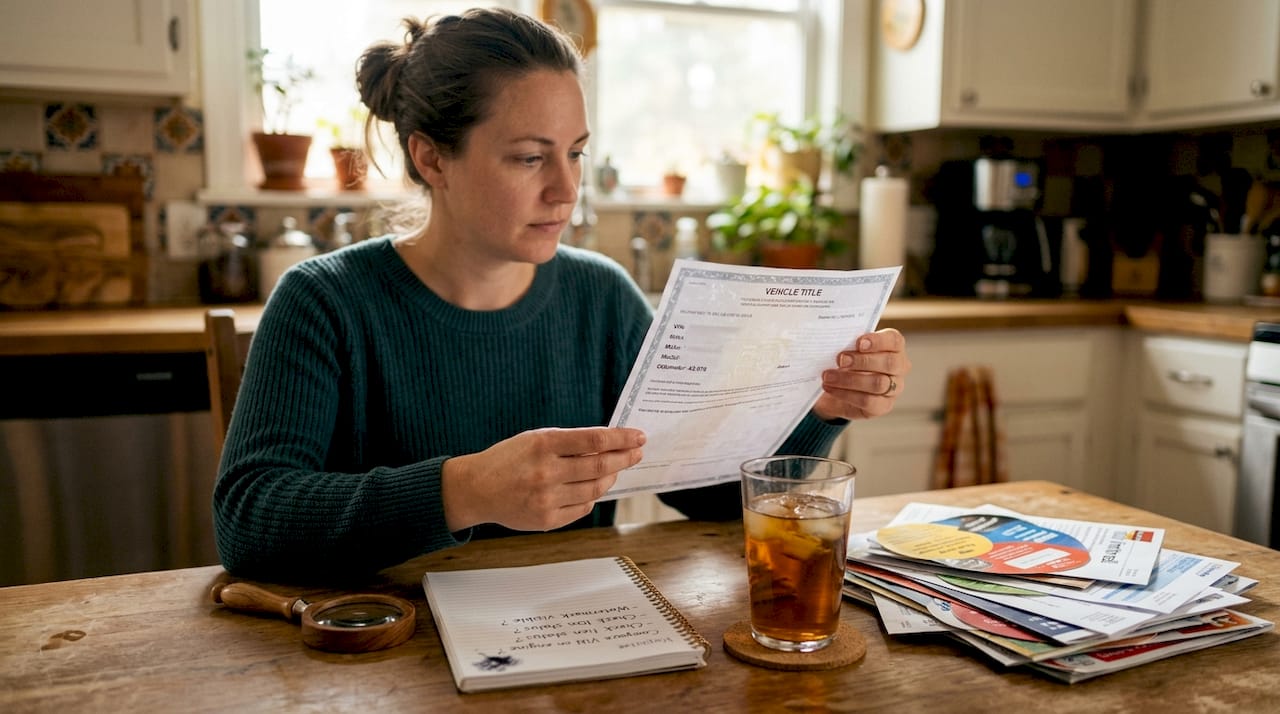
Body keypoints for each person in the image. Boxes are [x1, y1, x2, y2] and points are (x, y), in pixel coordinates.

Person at [212, 7, 911, 582]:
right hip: (380, 659)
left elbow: (703, 495)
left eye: (573, 152)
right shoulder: (325, 303)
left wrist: (818, 407)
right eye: (528, 157)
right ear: (430, 158)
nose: (566, 189)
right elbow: (248, 520)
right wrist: (467, 489)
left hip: (571, 639)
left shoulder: (599, 296)